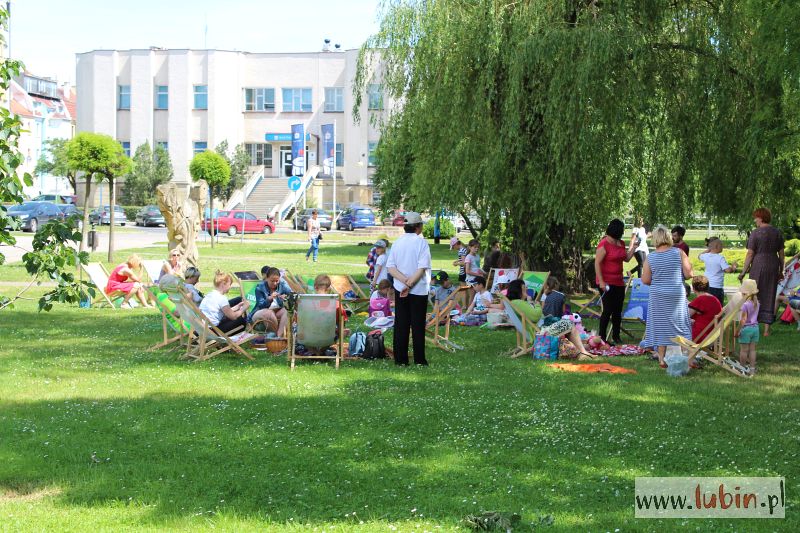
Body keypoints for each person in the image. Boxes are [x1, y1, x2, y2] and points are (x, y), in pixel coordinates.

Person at [640, 225, 693, 368]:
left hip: (658, 294)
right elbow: (689, 274)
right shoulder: (679, 252)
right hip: (676, 293)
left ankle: (662, 359)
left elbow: (645, 279)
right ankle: (688, 357)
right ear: (669, 237)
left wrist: (658, 281)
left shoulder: (651, 257)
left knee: (660, 325)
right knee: (680, 323)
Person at [386, 212, 431, 366]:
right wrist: (410, 283)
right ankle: (419, 359)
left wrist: (404, 282)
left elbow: (391, 268)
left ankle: (400, 359)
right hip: (418, 289)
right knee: (417, 325)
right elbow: (422, 268)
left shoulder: (397, 243)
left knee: (401, 324)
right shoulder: (421, 243)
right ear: (418, 226)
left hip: (401, 288)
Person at [506, 279, 592, 357]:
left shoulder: (515, 302)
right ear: (519, 290)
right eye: (524, 287)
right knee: (569, 323)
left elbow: (533, 316)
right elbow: (535, 316)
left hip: (539, 329)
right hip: (541, 332)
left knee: (565, 324)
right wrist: (537, 305)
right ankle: (583, 352)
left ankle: (580, 350)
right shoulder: (519, 303)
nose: (526, 289)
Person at [738, 207, 785, 336]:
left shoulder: (755, 233)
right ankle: (766, 330)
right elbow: (781, 254)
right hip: (773, 264)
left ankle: (751, 323)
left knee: (753, 292)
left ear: (761, 218)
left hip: (758, 264)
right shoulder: (777, 232)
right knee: (770, 293)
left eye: (756, 218)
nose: (755, 220)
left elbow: (750, 254)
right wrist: (781, 270)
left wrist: (743, 272)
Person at [594, 219, 637, 344]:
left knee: (617, 310)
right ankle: (602, 337)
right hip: (606, 282)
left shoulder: (621, 243)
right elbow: (597, 263)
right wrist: (601, 281)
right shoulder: (604, 244)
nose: (622, 233)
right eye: (621, 230)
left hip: (618, 281)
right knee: (607, 309)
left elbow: (626, 258)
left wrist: (633, 248)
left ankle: (616, 336)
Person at [250, 267, 292, 336]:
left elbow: (292, 295)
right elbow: (260, 305)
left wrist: (286, 298)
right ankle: (275, 336)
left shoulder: (282, 284)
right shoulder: (260, 287)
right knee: (269, 313)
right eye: (272, 281)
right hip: (261, 312)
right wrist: (269, 299)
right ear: (267, 278)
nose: (275, 283)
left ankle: (279, 337)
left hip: (276, 312)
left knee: (288, 311)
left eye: (277, 281)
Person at [699, 237, 737, 305]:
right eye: (721, 245)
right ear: (716, 246)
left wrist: (709, 249)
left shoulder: (706, 256)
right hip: (717, 287)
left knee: (707, 305)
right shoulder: (720, 258)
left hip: (706, 285)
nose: (722, 246)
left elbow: (699, 256)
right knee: (717, 306)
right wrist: (734, 267)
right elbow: (728, 270)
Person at [734, 280, 761, 375]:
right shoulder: (757, 303)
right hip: (755, 328)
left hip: (746, 329)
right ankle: (752, 369)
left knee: (744, 351)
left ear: (745, 293)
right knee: (752, 350)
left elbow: (743, 320)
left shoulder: (745, 305)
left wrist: (737, 331)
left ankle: (742, 368)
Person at [688, 275, 722, 343]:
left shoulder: (700, 299)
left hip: (700, 336)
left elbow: (685, 316)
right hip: (712, 335)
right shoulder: (714, 299)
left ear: (694, 288)